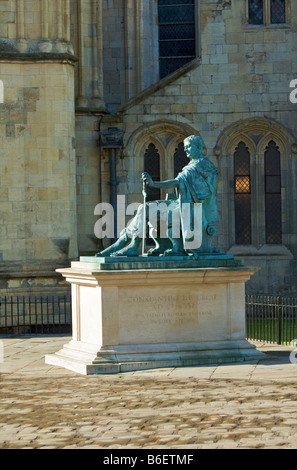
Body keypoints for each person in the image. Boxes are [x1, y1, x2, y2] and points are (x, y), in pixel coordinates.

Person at [96, 135, 219, 257]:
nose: (185, 149)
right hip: (182, 203)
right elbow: (181, 183)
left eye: (188, 147)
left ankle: (130, 244)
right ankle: (130, 242)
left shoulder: (203, 165)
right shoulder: (192, 166)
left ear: (198, 147)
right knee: (144, 207)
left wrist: (154, 184)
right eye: (185, 147)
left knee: (148, 209)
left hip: (193, 207)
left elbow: (180, 183)